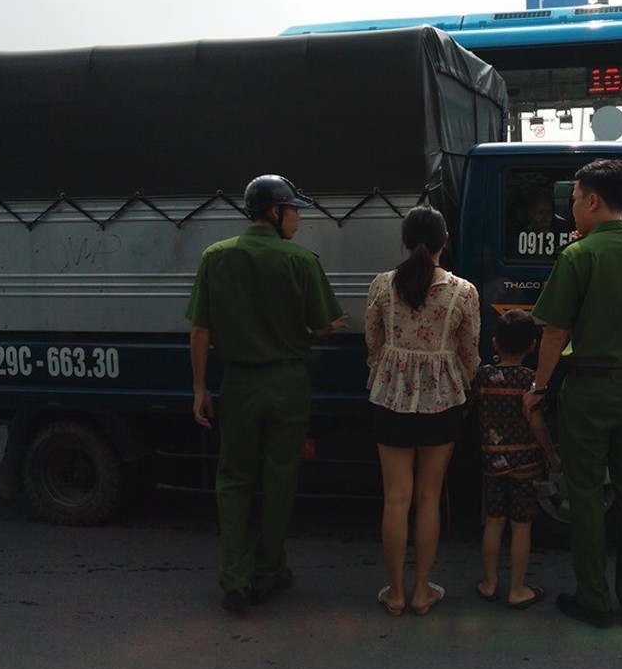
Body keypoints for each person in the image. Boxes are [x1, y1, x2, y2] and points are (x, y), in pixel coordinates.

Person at [522, 158, 622, 630]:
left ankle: (594, 600)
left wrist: (538, 388)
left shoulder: (578, 256)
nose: (571, 209)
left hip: (589, 391)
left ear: (591, 199)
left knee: (585, 495)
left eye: (573, 199)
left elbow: (552, 332)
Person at [186, 174, 346, 614]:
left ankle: (234, 581)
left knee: (234, 481)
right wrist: (333, 324)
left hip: (238, 383)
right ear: (274, 212)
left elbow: (200, 328)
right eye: (294, 209)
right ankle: (269, 571)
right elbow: (319, 326)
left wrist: (200, 387)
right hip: (287, 383)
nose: (298, 216)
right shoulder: (301, 261)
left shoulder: (215, 258)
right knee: (280, 481)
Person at [365, 204, 480, 616]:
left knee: (396, 498)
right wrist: (463, 382)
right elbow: (469, 354)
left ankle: (394, 594)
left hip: (390, 399)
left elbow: (374, 345)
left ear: (404, 240)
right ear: (443, 242)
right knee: (429, 498)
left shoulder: (382, 285)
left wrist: (389, 374)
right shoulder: (462, 291)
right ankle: (420, 593)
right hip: (442, 402)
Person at [470, 309, 558, 609]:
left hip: (492, 462)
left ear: (494, 343)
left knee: (494, 521)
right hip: (526, 464)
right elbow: (536, 424)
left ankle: (490, 582)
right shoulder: (532, 383)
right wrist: (550, 454)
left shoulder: (483, 377)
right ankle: (518, 589)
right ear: (532, 345)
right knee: (521, 525)